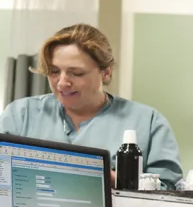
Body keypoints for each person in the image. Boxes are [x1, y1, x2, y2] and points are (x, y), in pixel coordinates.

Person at [0, 23, 183, 189]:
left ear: (105, 72)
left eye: (76, 73)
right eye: (54, 72)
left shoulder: (148, 122)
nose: (62, 83)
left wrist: (115, 180)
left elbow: (170, 193)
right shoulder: (20, 115)